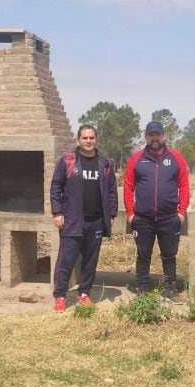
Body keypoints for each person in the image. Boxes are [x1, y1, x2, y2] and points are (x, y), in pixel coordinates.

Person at [50, 124, 118, 312]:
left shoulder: (104, 163)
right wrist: (57, 212)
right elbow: (56, 186)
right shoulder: (68, 160)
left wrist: (111, 214)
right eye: (85, 138)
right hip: (72, 220)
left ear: (96, 139)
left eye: (92, 138)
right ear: (79, 140)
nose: (89, 141)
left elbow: (112, 190)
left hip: (95, 221)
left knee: (91, 261)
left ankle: (84, 294)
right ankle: (60, 296)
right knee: (66, 260)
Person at [124, 121, 190, 303]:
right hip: (143, 218)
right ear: (146, 137)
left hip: (169, 218)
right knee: (143, 254)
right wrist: (130, 212)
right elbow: (128, 186)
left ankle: (169, 288)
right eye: (151, 135)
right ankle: (143, 288)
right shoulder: (137, 158)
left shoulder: (175, 157)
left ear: (164, 136)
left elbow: (184, 185)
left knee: (169, 254)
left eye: (158, 134)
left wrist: (182, 211)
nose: (155, 138)